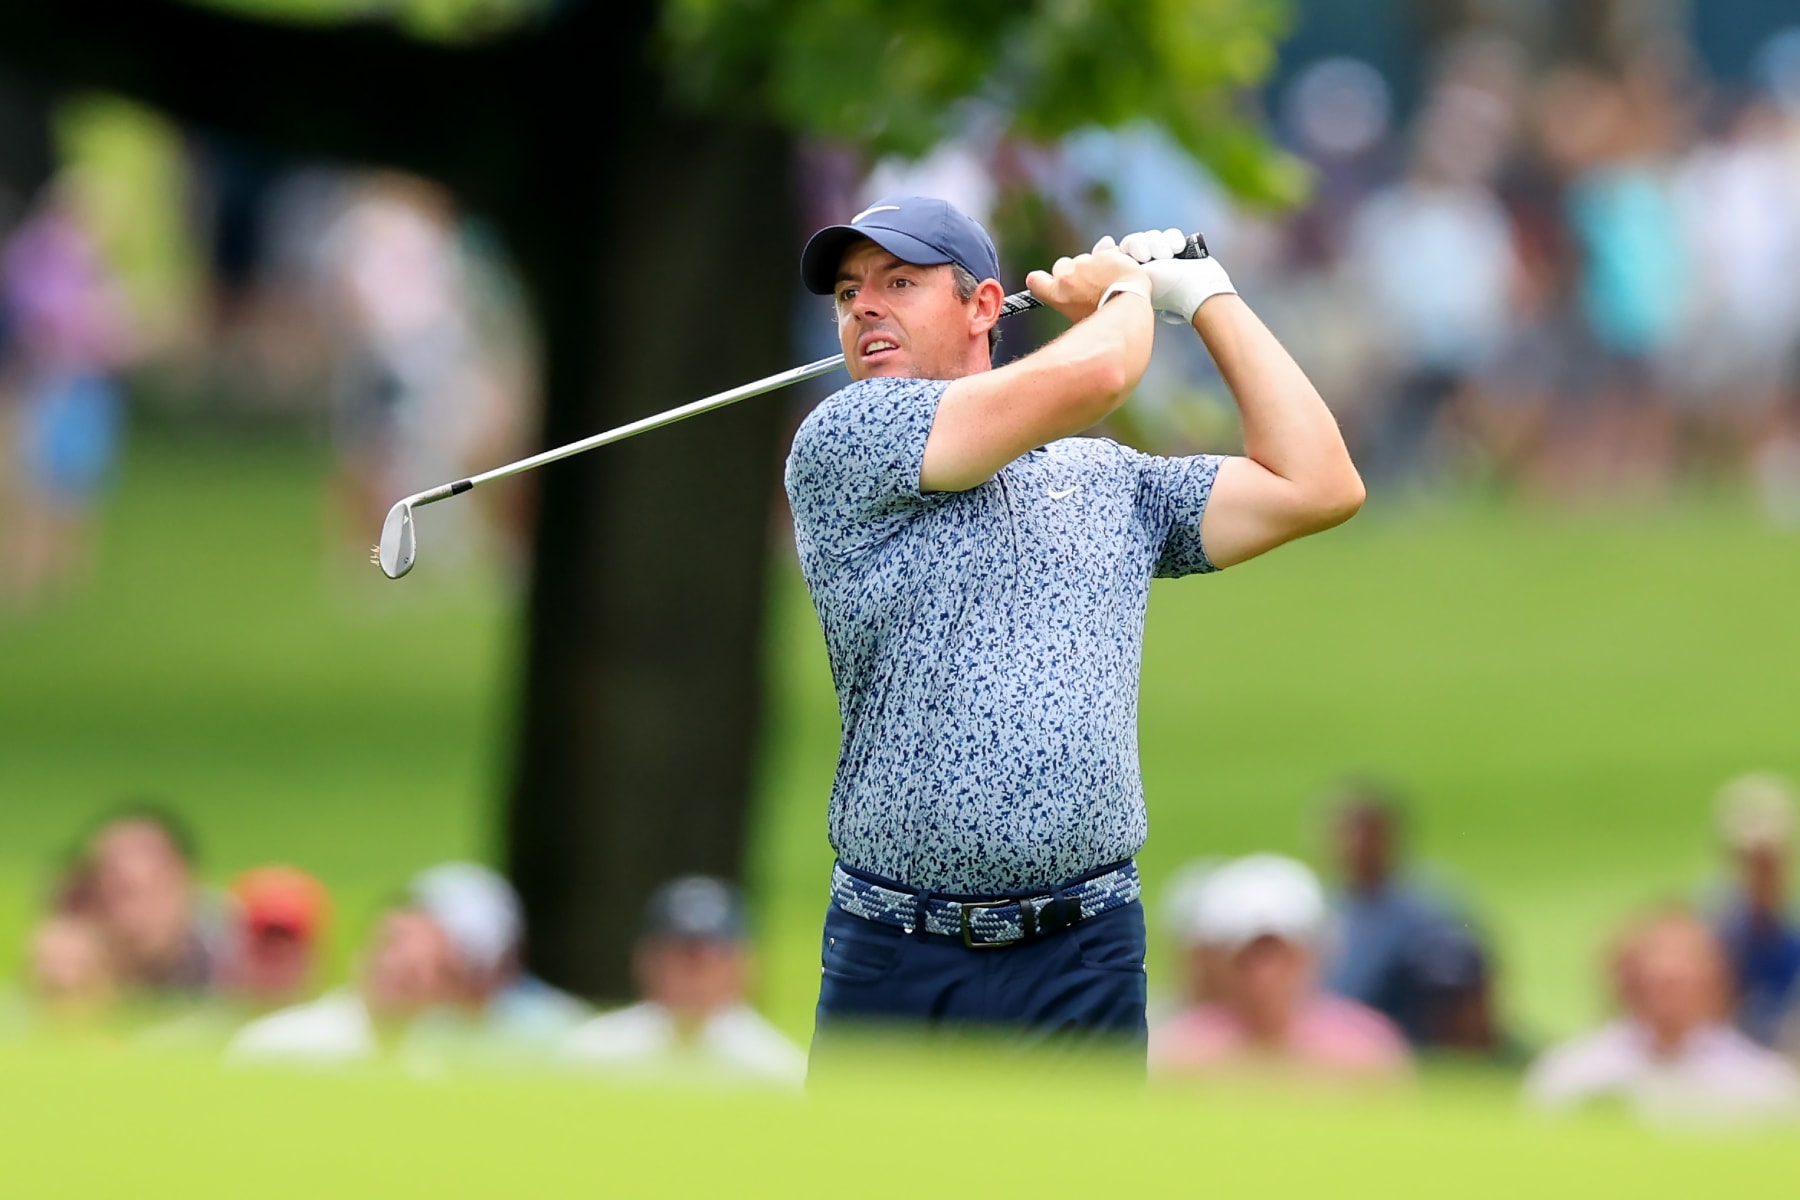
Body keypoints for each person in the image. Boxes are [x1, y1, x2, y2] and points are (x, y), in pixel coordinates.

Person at [784, 196, 1363, 1061]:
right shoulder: (846, 439)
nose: (863, 304)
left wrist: (1208, 297)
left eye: (898, 281)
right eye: (847, 291)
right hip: (898, 948)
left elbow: (1319, 483)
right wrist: (1128, 293)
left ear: (983, 307)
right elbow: (1096, 376)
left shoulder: (1106, 481)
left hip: (1081, 953)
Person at [1524, 910, 1800, 1128]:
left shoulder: (1765, 1085)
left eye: (1680, 974)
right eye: (1652, 973)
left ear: (1716, 980)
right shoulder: (1572, 1076)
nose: (1665, 981)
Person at [1151, 855, 1410, 1083]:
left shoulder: (1366, 1050)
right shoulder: (1182, 1054)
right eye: (1247, 958)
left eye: (1281, 956)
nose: (1264, 975)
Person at [561, 876, 804, 1086]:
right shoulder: (593, 1056)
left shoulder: (776, 1071)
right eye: (682, 959)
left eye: (710, 962)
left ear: (742, 966)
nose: (695, 978)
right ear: (647, 962)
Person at [1320, 785, 1469, 1046]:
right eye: (1349, 834)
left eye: (1368, 834)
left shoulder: (1428, 909)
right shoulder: (1324, 910)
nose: (1358, 845)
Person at [226, 903, 460, 1068]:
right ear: (360, 955)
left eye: (419, 968)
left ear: (442, 989)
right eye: (391, 945)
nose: (400, 962)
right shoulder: (277, 1046)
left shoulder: (430, 1071)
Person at [72, 806, 223, 999]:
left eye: (147, 890)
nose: (132, 916)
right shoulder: (79, 953)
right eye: (118, 892)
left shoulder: (229, 951)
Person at [1708, 773, 1800, 1048]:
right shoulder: (1712, 924)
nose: (1759, 871)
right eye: (1750, 860)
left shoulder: (1790, 921)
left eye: (1768, 860)